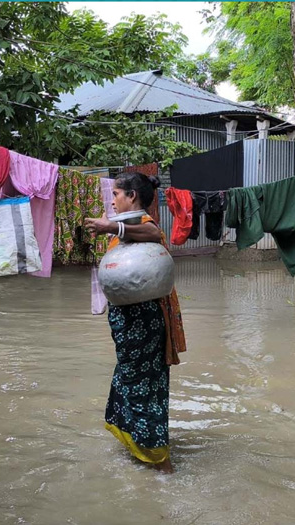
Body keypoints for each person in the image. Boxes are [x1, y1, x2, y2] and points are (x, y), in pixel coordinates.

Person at [83, 172, 185, 474]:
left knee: (140, 386)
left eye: (117, 194)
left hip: (143, 323)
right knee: (129, 382)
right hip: (130, 323)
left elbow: (153, 234)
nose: (112, 199)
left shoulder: (145, 227)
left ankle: (160, 463)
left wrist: (112, 225)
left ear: (132, 197)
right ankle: (138, 445)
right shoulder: (126, 230)